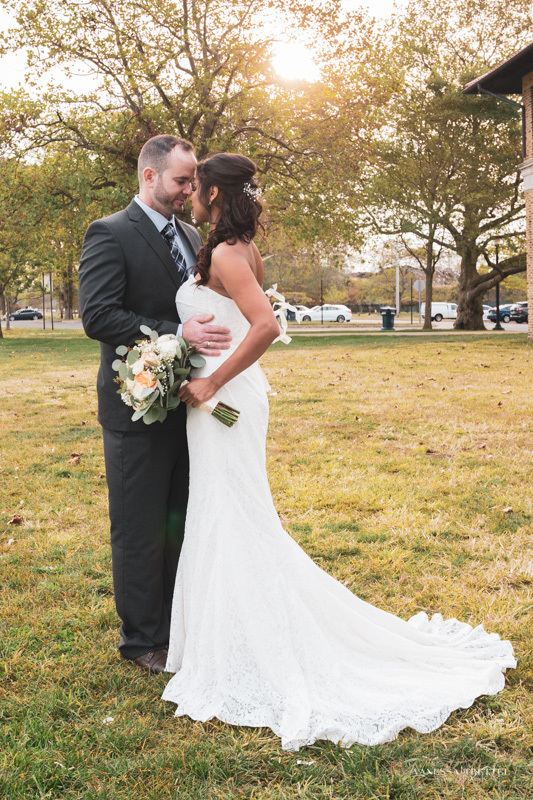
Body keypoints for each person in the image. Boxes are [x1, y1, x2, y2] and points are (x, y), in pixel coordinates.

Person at [161, 151, 516, 750]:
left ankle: (249, 649)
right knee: (229, 512)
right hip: (219, 396)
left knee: (233, 513)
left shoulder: (227, 252)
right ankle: (231, 639)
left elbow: (267, 326)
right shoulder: (238, 247)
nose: (191, 194)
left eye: (198, 187)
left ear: (215, 196)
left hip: (223, 401)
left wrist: (210, 382)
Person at [78, 135, 232, 674]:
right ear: (150, 176)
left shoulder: (192, 235)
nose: (191, 190)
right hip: (134, 408)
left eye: (192, 181)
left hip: (190, 408)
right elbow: (98, 316)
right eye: (182, 181)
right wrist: (175, 333)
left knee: (178, 523)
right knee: (140, 529)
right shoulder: (110, 233)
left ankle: (179, 625)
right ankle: (142, 640)